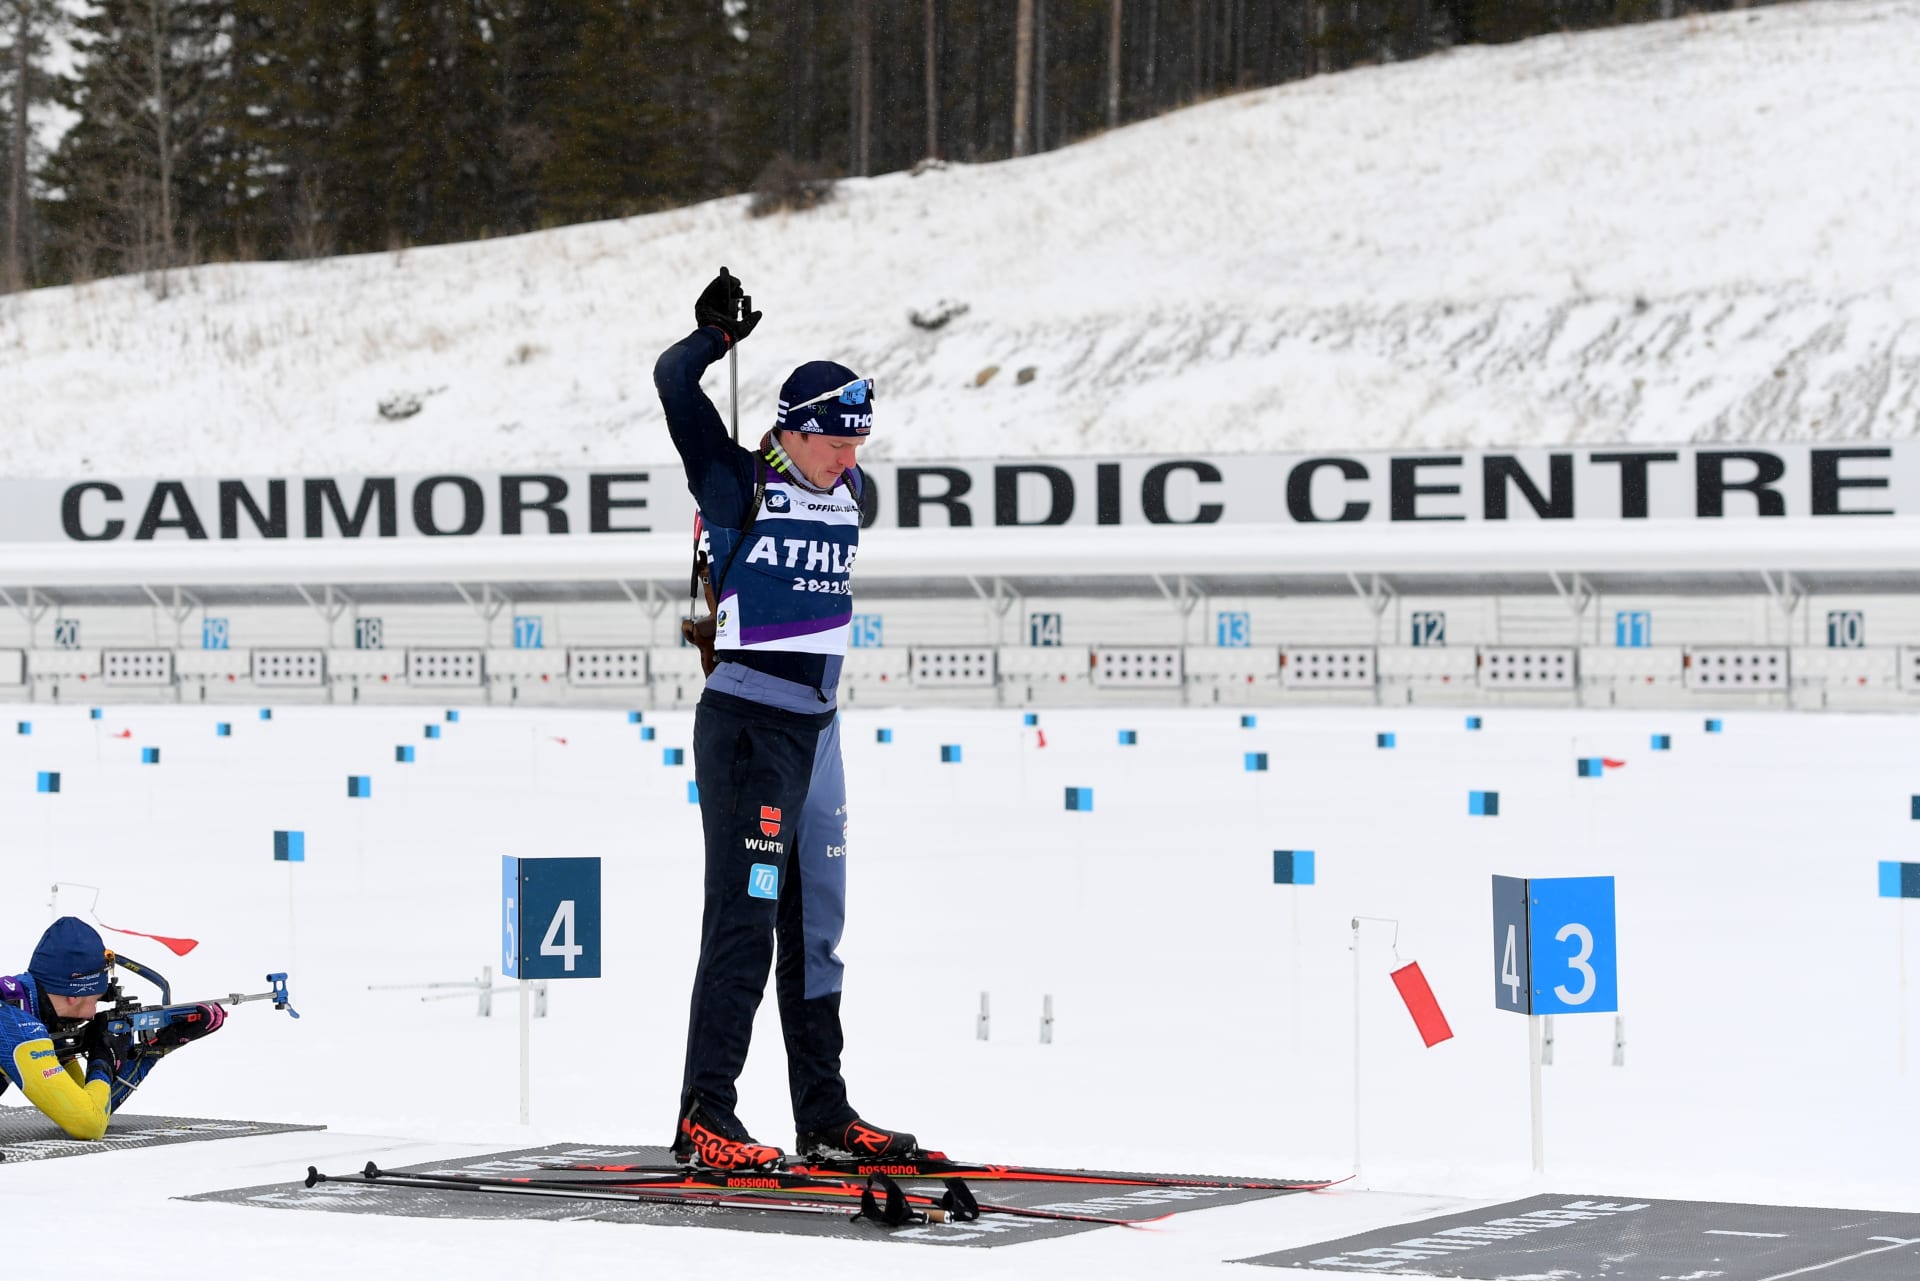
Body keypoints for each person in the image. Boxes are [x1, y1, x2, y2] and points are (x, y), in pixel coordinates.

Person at [654, 266, 920, 1172]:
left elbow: (842, 471)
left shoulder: (851, 491)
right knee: (745, 921)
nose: (850, 459)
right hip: (748, 727)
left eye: (859, 443)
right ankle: (705, 1114)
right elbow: (671, 381)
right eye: (836, 443)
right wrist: (715, 340)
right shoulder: (734, 481)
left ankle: (825, 1114)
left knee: (817, 929)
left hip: (820, 731)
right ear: (793, 433)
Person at [0, 917, 224, 1140]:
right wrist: (103, 1060)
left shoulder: (28, 1010)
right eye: (94, 1000)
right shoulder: (18, 1027)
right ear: (72, 996)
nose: (92, 1014)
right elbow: (89, 1124)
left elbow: (92, 1106)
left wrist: (153, 1050)